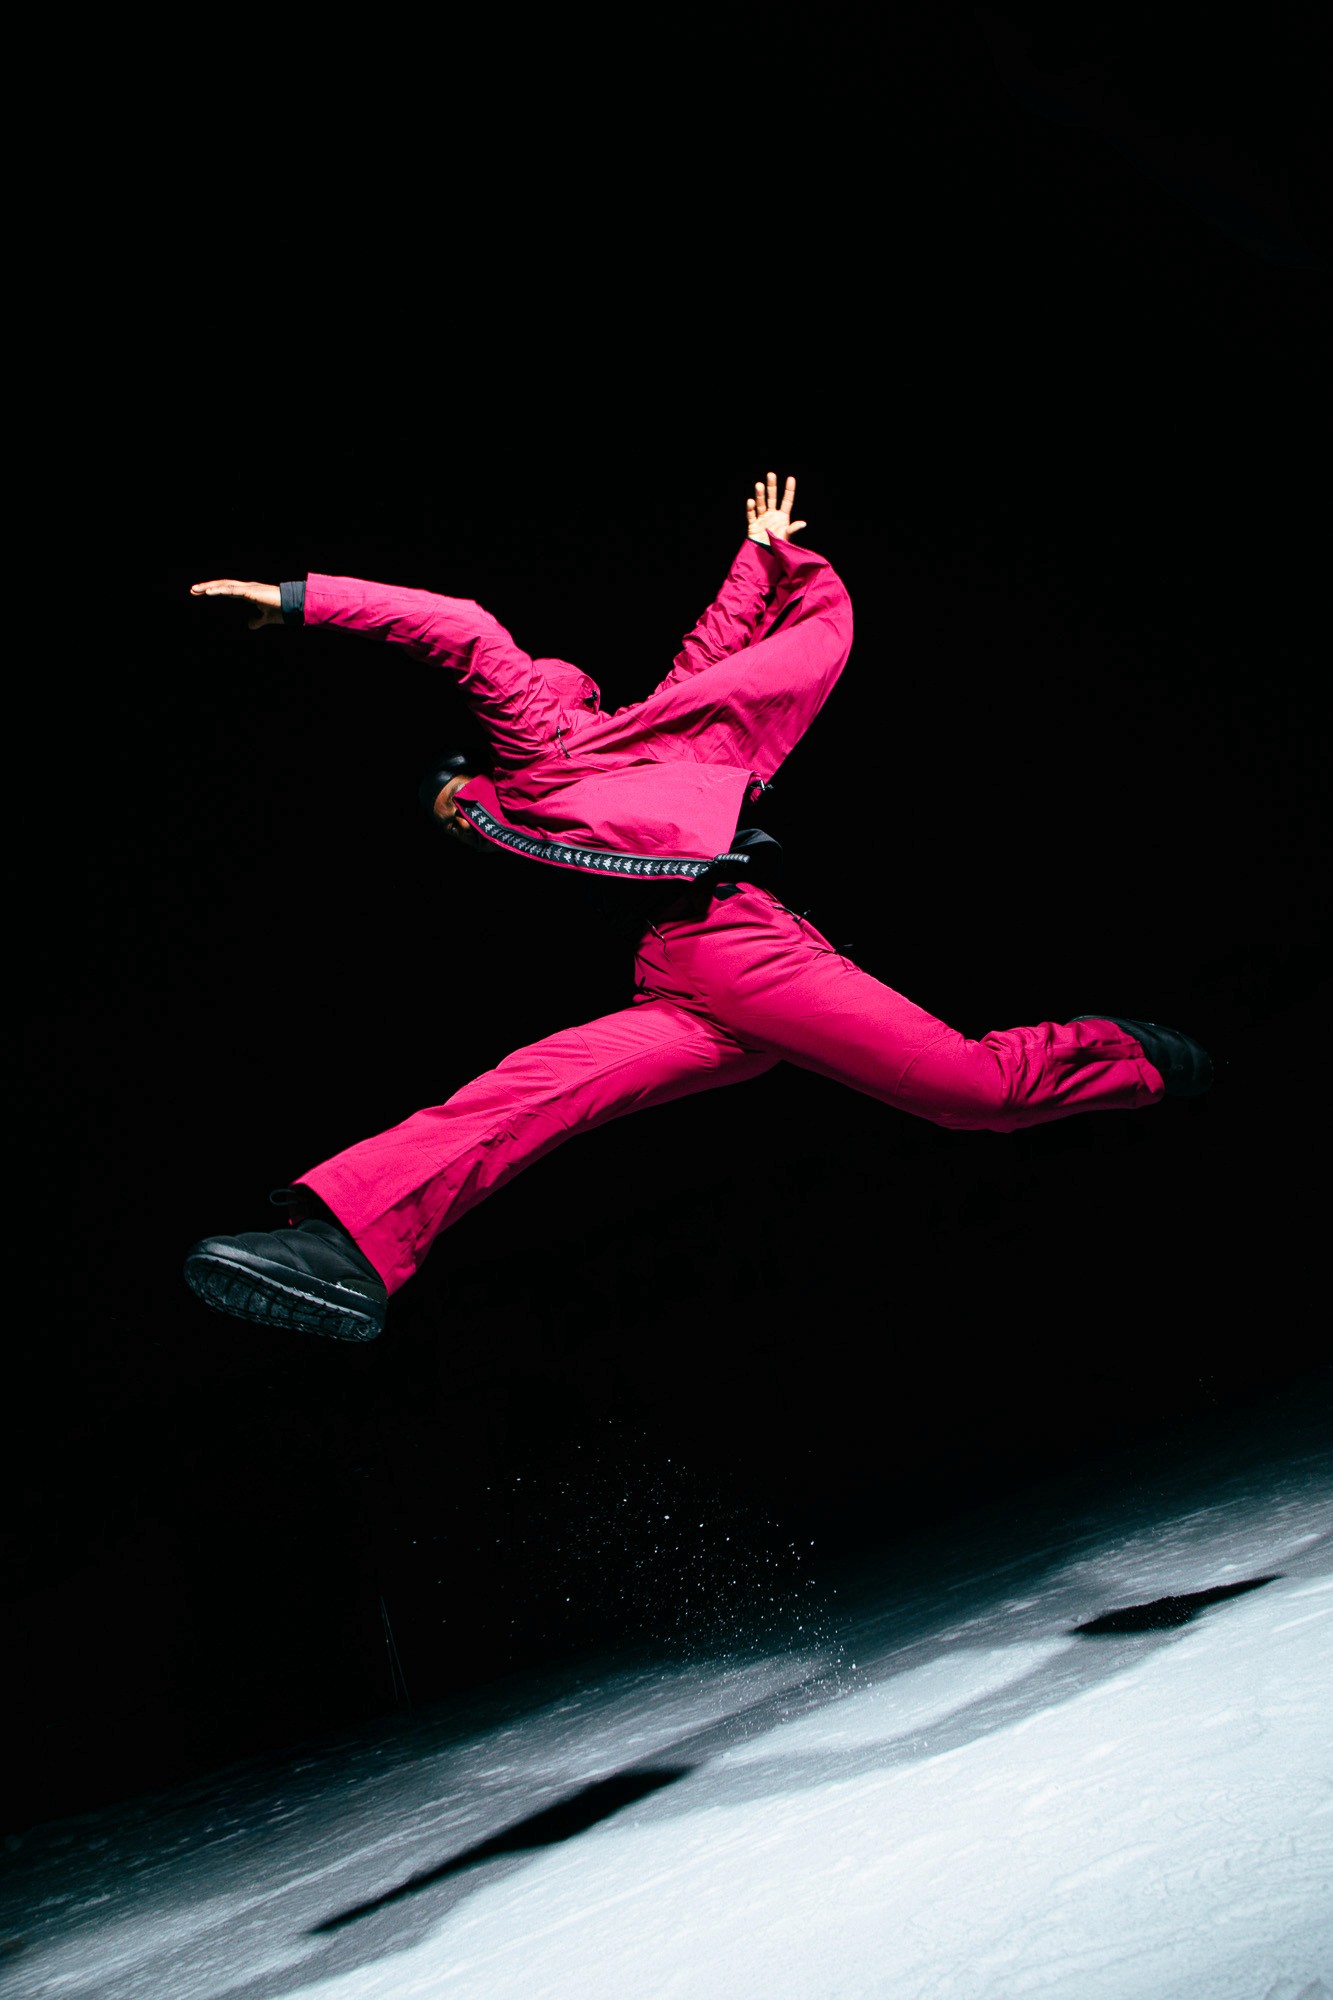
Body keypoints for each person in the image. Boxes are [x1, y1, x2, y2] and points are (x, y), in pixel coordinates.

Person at [184, 472, 1212, 1343]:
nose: (458, 828)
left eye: (449, 808)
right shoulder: (624, 750)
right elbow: (707, 656)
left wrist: (300, 600)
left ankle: (1135, 1054)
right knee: (525, 1093)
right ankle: (345, 1245)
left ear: (467, 778)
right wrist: (753, 557)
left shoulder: (541, 747)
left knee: (970, 1091)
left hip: (739, 947)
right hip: (675, 978)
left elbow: (463, 630)